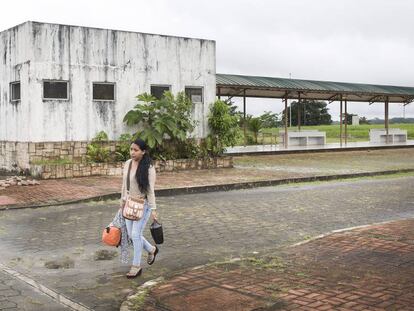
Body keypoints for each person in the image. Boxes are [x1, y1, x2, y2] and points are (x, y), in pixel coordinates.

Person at [120, 138, 159, 278]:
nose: (132, 152)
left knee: (136, 235)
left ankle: (136, 266)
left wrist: (153, 209)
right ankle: (151, 249)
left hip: (143, 205)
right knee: (131, 235)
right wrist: (122, 202)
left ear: (143, 151)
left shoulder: (149, 167)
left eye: (136, 150)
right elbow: (124, 185)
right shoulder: (128, 164)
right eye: (131, 149)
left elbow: (150, 190)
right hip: (130, 204)